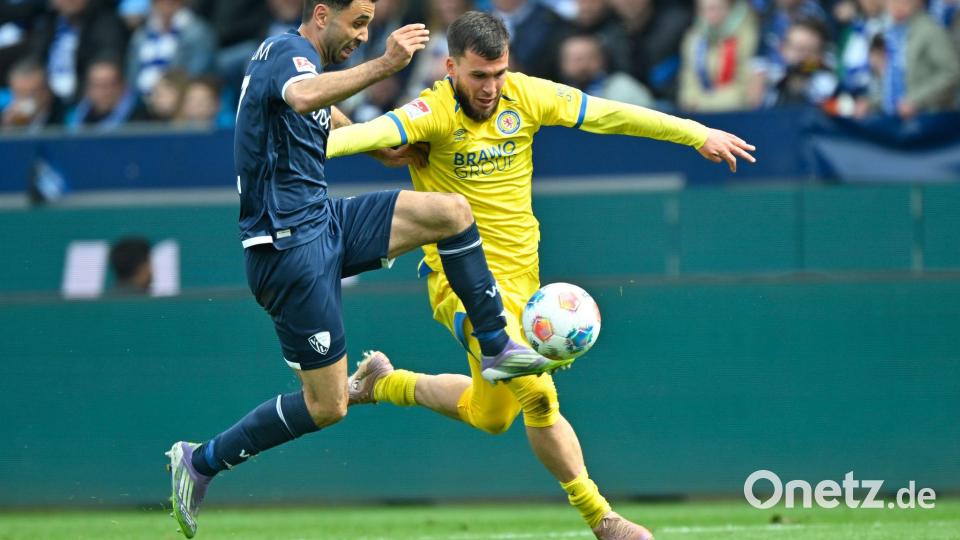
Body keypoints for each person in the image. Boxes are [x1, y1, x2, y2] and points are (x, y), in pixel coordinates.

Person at [326, 11, 755, 540]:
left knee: (491, 415)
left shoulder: (526, 96)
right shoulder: (433, 110)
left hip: (525, 287)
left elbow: (611, 115)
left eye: (498, 73)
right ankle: (604, 517)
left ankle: (383, 382)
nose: (490, 87)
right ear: (451, 66)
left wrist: (697, 133)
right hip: (460, 285)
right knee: (536, 393)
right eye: (478, 76)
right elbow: (367, 135)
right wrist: (290, 144)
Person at [165, 2, 565, 538]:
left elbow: (319, 112)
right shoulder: (290, 53)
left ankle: (496, 345)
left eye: (369, 25)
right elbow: (305, 97)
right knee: (328, 406)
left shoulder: (298, 60)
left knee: (450, 212)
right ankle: (201, 460)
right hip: (287, 249)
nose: (364, 34)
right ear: (323, 13)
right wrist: (384, 64)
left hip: (322, 220)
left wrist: (383, 149)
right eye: (357, 23)